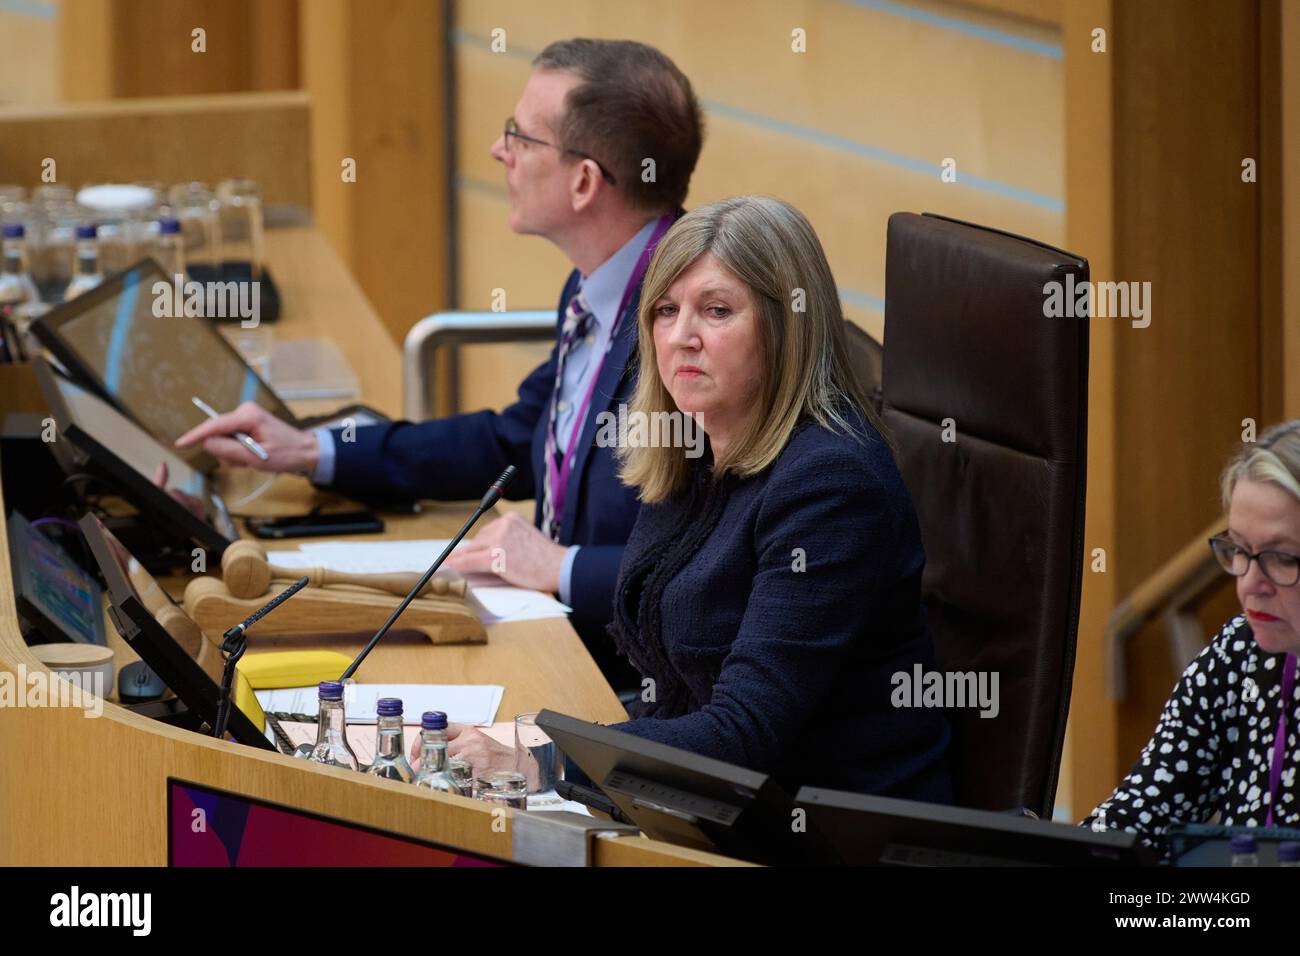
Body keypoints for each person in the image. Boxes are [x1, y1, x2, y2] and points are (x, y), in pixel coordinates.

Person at [175, 39, 704, 687]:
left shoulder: (691, 326)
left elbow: (709, 569)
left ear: (584, 181)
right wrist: (315, 449)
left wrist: (562, 565)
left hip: (640, 687)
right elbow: (513, 440)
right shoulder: (597, 286)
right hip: (558, 635)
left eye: (520, 136)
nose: (498, 150)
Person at [427, 196, 952, 800]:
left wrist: (547, 760)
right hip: (703, 803)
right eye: (665, 310)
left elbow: (743, 734)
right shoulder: (692, 442)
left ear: (787, 327)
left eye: (717, 311)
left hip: (819, 833)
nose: (681, 338)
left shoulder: (831, 487)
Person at [1084, 422, 1300, 853]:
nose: (1249, 584)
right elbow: (1134, 822)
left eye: (1280, 558)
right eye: (1239, 549)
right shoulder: (1241, 651)